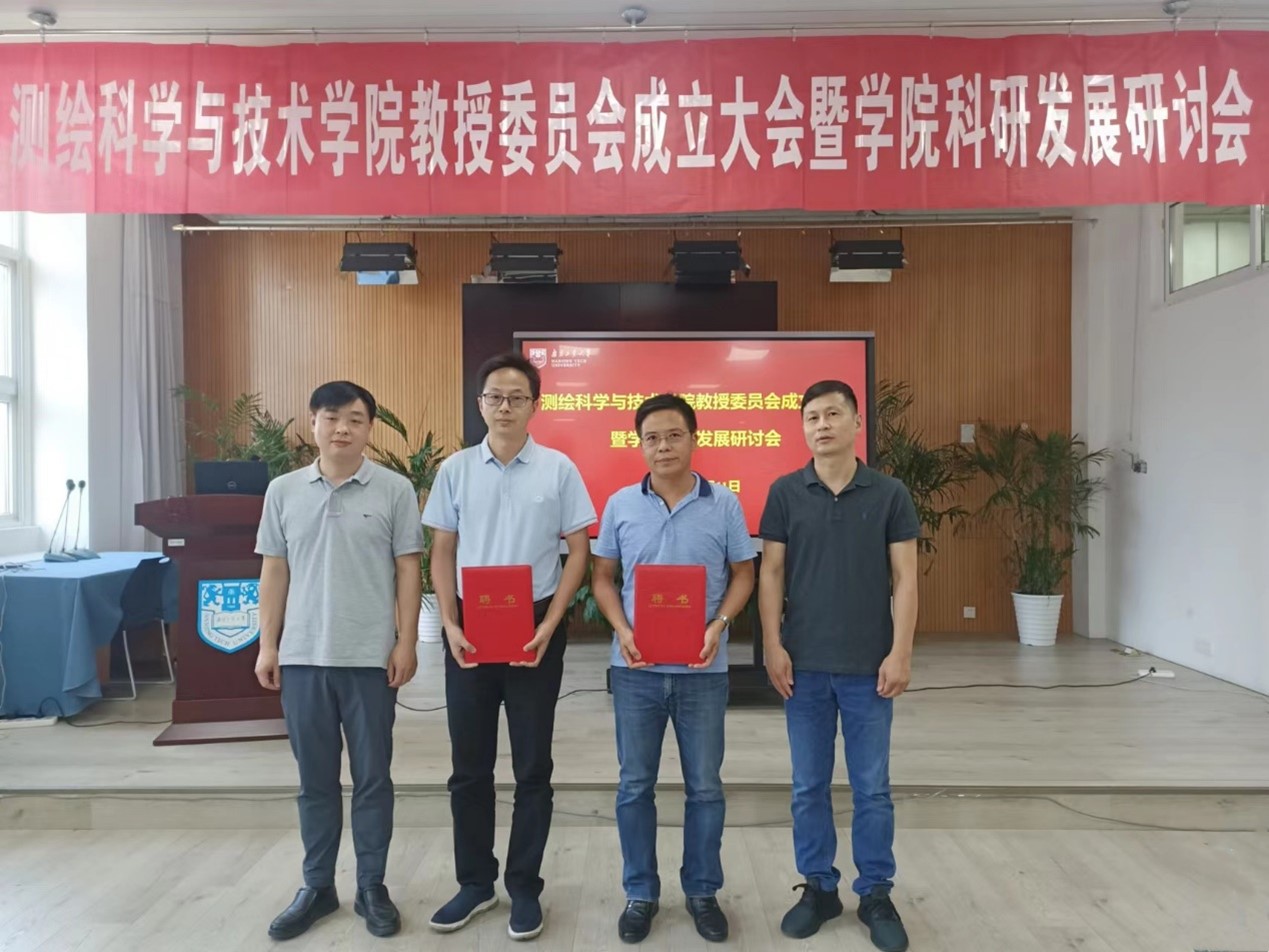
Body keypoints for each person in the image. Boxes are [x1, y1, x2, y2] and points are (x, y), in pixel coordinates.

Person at [422, 352, 596, 941]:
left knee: (532, 767)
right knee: (468, 768)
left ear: (534, 406)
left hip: (535, 627)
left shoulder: (558, 469)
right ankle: (475, 883)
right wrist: (448, 624)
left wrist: (554, 621)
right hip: (469, 628)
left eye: (517, 397)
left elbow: (579, 550)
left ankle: (524, 886)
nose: (504, 407)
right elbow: (442, 550)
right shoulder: (455, 470)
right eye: (495, 397)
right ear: (480, 404)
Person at [254, 380, 424, 941]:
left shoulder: (395, 489)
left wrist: (405, 641)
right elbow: (274, 570)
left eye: (354, 418)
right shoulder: (282, 490)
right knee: (315, 781)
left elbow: (408, 568)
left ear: (370, 427)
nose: (342, 429)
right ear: (313, 423)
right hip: (303, 657)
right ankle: (317, 886)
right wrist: (268, 644)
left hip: (370, 658)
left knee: (373, 778)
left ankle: (371, 886)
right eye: (331, 418)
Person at [757, 379, 919, 952]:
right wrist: (772, 644)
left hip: (870, 668)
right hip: (803, 667)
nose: (821, 425)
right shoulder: (784, 492)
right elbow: (771, 572)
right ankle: (819, 888)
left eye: (832, 414)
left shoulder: (890, 493)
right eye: (811, 417)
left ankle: (875, 891)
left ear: (855, 422)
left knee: (872, 788)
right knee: (808, 786)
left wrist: (901, 651)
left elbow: (905, 578)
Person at [592, 394, 756, 945]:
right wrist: (622, 629)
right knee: (634, 786)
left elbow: (743, 573)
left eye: (674, 435)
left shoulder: (724, 503)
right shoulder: (620, 504)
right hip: (635, 669)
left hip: (702, 672)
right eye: (652, 438)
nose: (663, 447)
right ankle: (640, 893)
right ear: (640, 445)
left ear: (694, 438)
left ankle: (703, 892)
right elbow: (602, 578)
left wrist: (720, 624)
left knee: (705, 787)